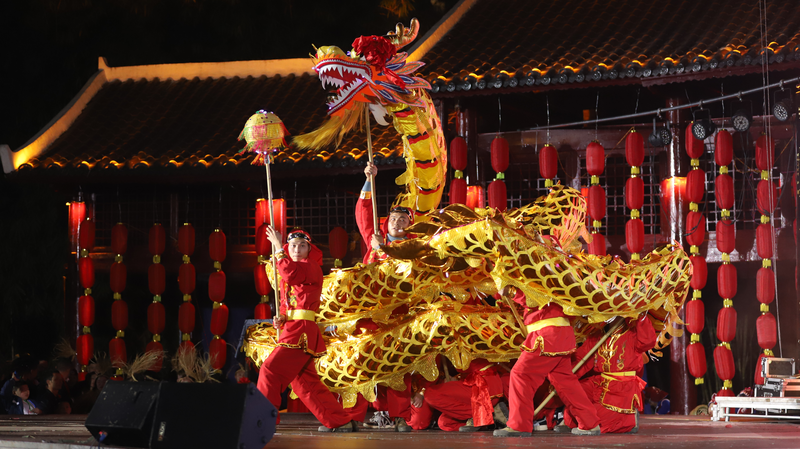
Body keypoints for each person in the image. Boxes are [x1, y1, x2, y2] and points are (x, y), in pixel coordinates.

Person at [256, 227, 357, 433]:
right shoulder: (295, 269)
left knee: (270, 370)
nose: (297, 249)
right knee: (305, 383)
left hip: (300, 331)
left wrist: (277, 247)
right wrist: (281, 318)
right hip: (293, 328)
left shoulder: (311, 267)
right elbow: (288, 303)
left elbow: (291, 274)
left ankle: (262, 420)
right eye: (292, 245)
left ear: (309, 250)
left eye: (302, 246)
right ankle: (339, 420)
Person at [352, 161, 419, 432]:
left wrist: (386, 251)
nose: (397, 222)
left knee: (399, 362)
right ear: (387, 222)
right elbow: (363, 214)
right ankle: (377, 412)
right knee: (369, 360)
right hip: (371, 313)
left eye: (403, 219)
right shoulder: (375, 240)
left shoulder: (414, 248)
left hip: (400, 314)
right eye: (393, 218)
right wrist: (369, 180)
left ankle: (401, 414)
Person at [493, 288, 601, 437]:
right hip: (559, 332)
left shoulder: (540, 270)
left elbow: (534, 297)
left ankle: (519, 425)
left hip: (547, 333)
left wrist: (512, 291)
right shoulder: (551, 269)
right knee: (565, 382)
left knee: (521, 375)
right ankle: (589, 423)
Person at [564, 315, 656, 434]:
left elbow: (647, 342)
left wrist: (641, 316)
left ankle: (629, 419)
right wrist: (564, 377)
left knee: (599, 423)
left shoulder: (633, 331)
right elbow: (582, 358)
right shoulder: (598, 333)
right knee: (572, 394)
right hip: (599, 382)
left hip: (621, 387)